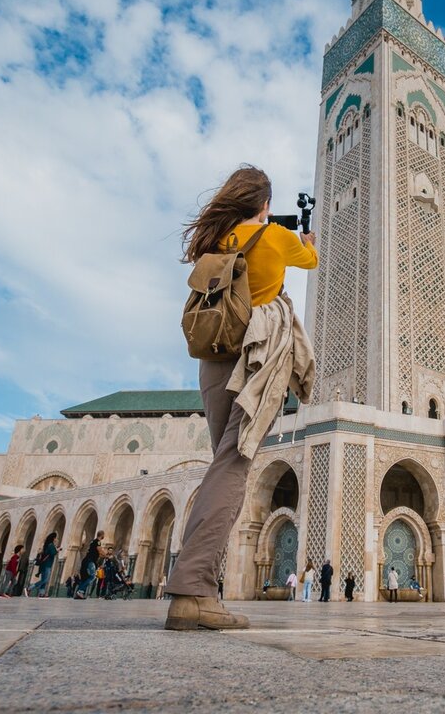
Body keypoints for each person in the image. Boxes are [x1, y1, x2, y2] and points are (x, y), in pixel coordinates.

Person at [162, 166, 317, 632]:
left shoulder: (213, 239)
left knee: (222, 464)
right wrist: (305, 237)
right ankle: (192, 591)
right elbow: (310, 260)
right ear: (264, 204)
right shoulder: (273, 237)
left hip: (212, 360)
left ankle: (198, 586)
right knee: (233, 466)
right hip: (256, 357)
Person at [28, 532, 58, 598]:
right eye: (56, 538)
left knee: (44, 579)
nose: (56, 539)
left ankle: (41, 593)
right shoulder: (51, 545)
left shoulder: (47, 545)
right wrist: (57, 550)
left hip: (44, 564)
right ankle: (30, 587)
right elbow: (53, 553)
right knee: (45, 580)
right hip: (47, 564)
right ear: (53, 538)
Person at [75, 531, 103, 600]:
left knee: (85, 577)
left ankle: (79, 593)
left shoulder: (92, 541)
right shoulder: (98, 542)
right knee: (92, 576)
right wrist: (106, 556)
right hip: (90, 561)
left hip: (86, 560)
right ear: (102, 535)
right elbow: (100, 550)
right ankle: (80, 591)